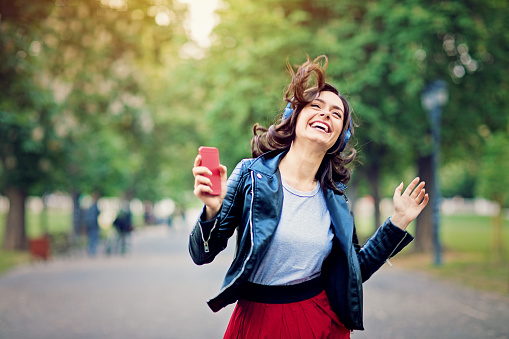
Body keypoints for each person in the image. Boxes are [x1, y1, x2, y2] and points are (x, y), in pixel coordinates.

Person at [190, 55, 429, 338]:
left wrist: (397, 222)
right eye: (316, 106)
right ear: (295, 118)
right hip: (257, 321)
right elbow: (201, 254)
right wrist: (213, 211)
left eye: (336, 114)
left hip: (318, 321)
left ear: (339, 135)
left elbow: (353, 272)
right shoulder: (250, 175)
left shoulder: (336, 199)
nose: (326, 114)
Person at [85, 192, 101, 257]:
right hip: (93, 225)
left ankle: (91, 250)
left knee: (92, 238)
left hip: (91, 225)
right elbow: (98, 213)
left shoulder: (90, 207)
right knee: (93, 238)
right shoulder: (94, 207)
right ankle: (92, 251)